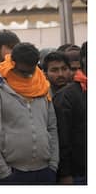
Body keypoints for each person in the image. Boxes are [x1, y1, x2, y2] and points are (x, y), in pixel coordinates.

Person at [0, 42, 58, 183]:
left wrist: (53, 165)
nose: (28, 75)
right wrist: (3, 172)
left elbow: (51, 127)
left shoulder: (42, 86)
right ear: (12, 63)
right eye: (23, 71)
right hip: (12, 173)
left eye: (31, 70)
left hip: (45, 171)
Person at [42, 51, 87, 184]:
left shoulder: (80, 92)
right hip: (64, 171)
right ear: (45, 74)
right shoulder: (40, 97)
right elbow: (61, 138)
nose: (60, 74)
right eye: (54, 70)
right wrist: (65, 173)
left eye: (64, 69)